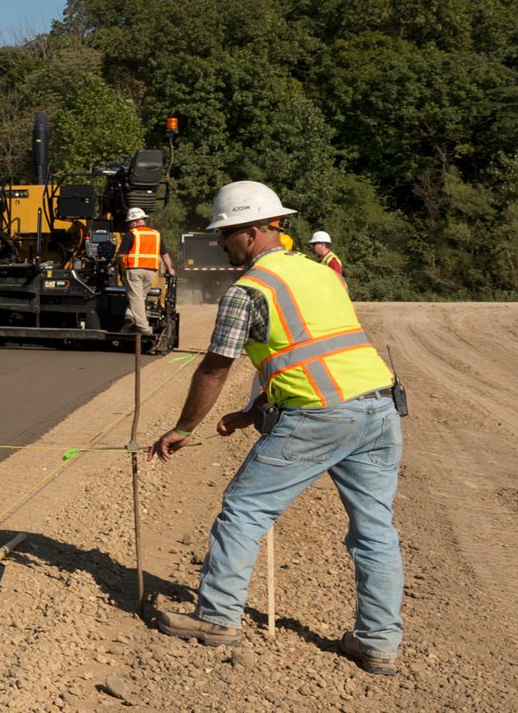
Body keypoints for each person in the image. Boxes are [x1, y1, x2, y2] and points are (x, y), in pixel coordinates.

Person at [146, 180, 404, 678]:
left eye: (225, 234)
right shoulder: (320, 274)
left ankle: (217, 617)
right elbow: (315, 351)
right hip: (380, 409)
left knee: (244, 509)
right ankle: (378, 645)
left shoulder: (248, 291)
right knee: (375, 533)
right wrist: (252, 411)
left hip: (320, 416)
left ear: (251, 232)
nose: (221, 243)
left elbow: (214, 369)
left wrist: (182, 427)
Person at [119, 207, 174, 335]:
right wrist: (170, 269)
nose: (129, 225)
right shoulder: (156, 234)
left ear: (135, 221)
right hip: (151, 272)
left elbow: (121, 256)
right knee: (140, 296)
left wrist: (122, 265)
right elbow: (165, 255)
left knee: (136, 298)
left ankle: (143, 327)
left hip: (134, 270)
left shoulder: (131, 234)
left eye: (130, 222)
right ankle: (129, 317)